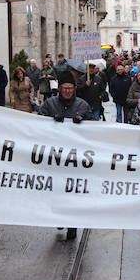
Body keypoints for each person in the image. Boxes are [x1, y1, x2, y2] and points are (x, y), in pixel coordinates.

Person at [38, 76, 91, 240]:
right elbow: (38, 123)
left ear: (74, 89)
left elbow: (93, 129)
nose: (67, 91)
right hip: (56, 156)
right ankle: (60, 216)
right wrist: (50, 121)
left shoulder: (83, 105)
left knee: (72, 192)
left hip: (75, 158)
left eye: (70, 88)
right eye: (65, 88)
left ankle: (72, 224)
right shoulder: (49, 104)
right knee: (58, 189)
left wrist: (83, 122)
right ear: (59, 89)